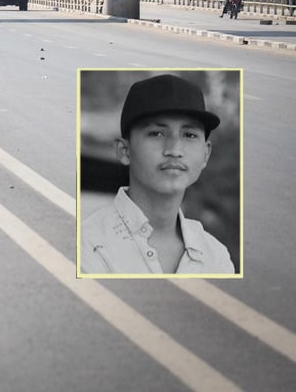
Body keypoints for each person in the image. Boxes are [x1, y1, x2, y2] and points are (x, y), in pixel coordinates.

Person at [80, 74, 235, 275]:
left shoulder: (216, 256)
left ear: (205, 154)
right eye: (156, 133)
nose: (174, 149)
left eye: (189, 135)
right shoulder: (88, 245)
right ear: (124, 151)